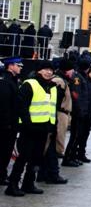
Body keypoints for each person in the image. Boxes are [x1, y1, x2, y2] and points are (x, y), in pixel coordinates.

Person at [5, 60, 57, 196]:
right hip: (29, 128)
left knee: (36, 158)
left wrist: (52, 126)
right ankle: (13, 184)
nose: (48, 72)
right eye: (45, 69)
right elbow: (21, 106)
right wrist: (27, 123)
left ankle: (29, 183)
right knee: (23, 157)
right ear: (39, 71)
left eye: (51, 70)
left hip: (44, 128)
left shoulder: (52, 87)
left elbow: (52, 108)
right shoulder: (30, 84)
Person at [61, 59, 89, 167]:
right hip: (78, 112)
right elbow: (76, 95)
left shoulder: (80, 76)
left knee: (77, 136)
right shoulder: (77, 77)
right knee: (75, 136)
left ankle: (72, 157)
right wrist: (80, 110)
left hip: (80, 110)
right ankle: (68, 157)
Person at [0, 57, 22, 185]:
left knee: (6, 152)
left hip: (11, 123)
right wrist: (7, 123)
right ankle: (1, 175)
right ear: (10, 66)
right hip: (6, 125)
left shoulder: (12, 80)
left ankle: (2, 174)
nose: (20, 68)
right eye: (18, 65)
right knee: (4, 151)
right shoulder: (5, 82)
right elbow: (4, 105)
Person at [77, 61, 91, 163]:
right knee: (79, 135)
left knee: (85, 135)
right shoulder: (84, 82)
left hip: (90, 114)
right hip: (83, 114)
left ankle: (81, 153)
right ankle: (75, 154)